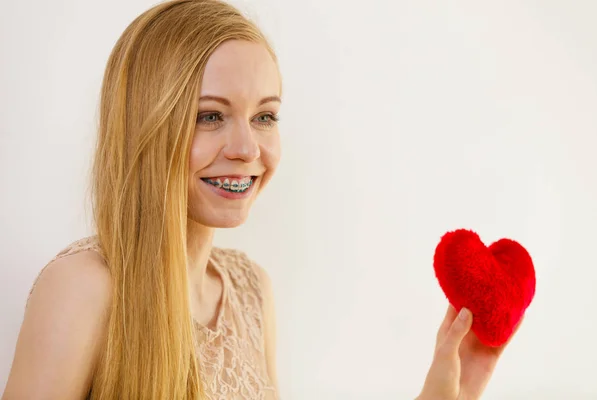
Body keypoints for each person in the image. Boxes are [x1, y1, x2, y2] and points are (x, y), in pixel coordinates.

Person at [1, 1, 520, 399]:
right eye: (210, 115)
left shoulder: (251, 290)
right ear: (146, 125)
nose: (248, 148)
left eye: (265, 116)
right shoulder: (83, 288)